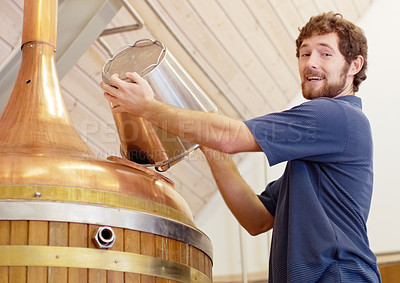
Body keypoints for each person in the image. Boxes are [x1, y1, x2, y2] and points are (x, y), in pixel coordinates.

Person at [100, 12, 381, 283]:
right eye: (305, 54)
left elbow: (231, 137)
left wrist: (148, 108)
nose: (311, 63)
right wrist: (209, 143)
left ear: (354, 65)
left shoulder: (337, 116)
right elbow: (256, 217)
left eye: (325, 53)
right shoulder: (314, 158)